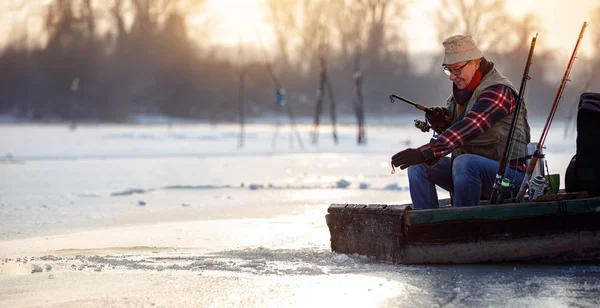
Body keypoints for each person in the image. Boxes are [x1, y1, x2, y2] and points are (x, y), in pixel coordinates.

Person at [391, 34, 531, 209]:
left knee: (465, 163)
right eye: (448, 70)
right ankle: (426, 225)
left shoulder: (498, 92)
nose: (452, 76)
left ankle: (460, 224)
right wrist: (442, 121)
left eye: (457, 69)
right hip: (470, 175)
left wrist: (425, 152)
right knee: (418, 166)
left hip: (508, 178)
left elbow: (468, 128)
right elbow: (456, 130)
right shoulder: (460, 95)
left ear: (476, 63)